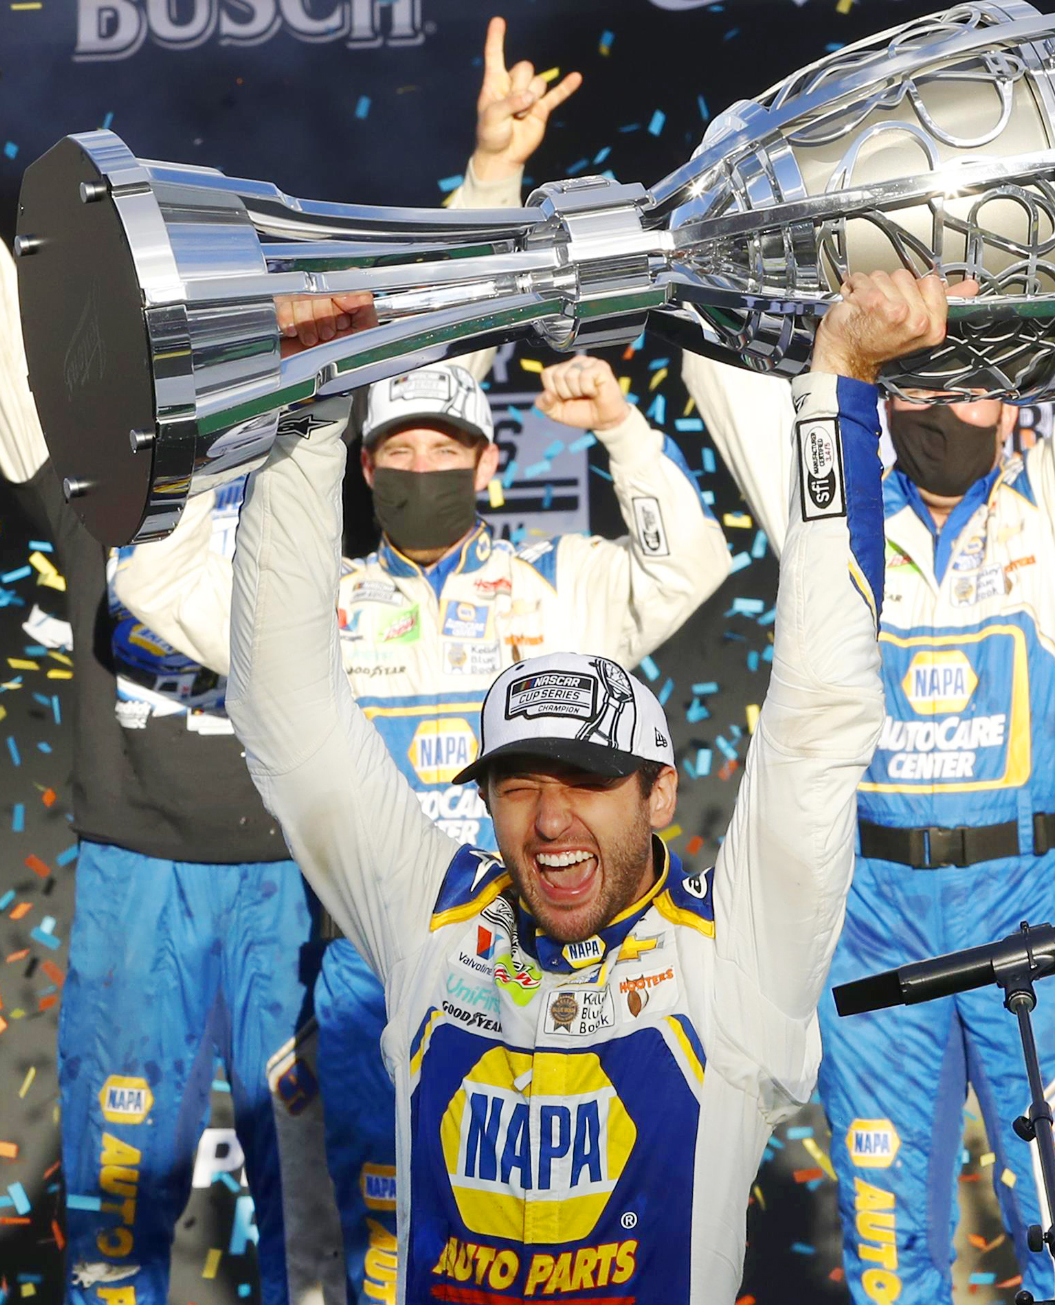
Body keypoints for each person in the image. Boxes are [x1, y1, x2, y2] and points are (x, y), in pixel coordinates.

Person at [223, 265, 973, 1299]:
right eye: (520, 784)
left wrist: (836, 386)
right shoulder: (432, 926)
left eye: (588, 778)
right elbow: (287, 715)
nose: (551, 818)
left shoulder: (738, 956)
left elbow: (820, 715)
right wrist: (304, 416)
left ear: (659, 794)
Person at [0, 29, 344, 1304]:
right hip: (140, 864)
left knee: (316, 1223)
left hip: (291, 879)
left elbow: (439, 340)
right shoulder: (105, 459)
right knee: (115, 1217)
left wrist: (480, 175)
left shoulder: (321, 463)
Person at [117, 345, 730, 1300]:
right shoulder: (321, 608)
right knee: (393, 1239)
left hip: (570, 955)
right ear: (362, 467)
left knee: (583, 1236)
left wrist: (620, 428)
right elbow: (152, 586)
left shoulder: (561, 585)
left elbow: (693, 559)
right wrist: (224, 448)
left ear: (489, 462)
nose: (420, 470)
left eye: (446, 448)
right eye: (398, 452)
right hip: (389, 966)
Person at [683, 134, 1055, 1305]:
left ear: (1013, 410)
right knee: (889, 1255)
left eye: (967, 388)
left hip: (1036, 919)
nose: (938, 408)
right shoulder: (836, 507)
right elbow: (726, 384)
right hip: (872, 924)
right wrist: (714, 200)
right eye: (914, 386)